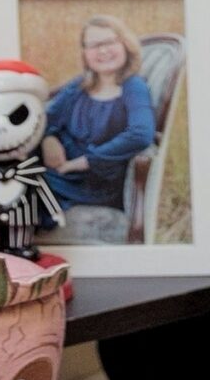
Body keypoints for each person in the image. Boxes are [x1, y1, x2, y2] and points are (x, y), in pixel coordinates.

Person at [39, 14, 160, 242]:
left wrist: (85, 161)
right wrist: (49, 139)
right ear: (85, 53)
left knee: (24, 182)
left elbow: (141, 134)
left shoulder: (133, 87)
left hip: (95, 182)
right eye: (94, 45)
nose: (103, 51)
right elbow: (45, 119)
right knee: (14, 173)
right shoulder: (80, 86)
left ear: (125, 44)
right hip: (61, 172)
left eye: (109, 42)